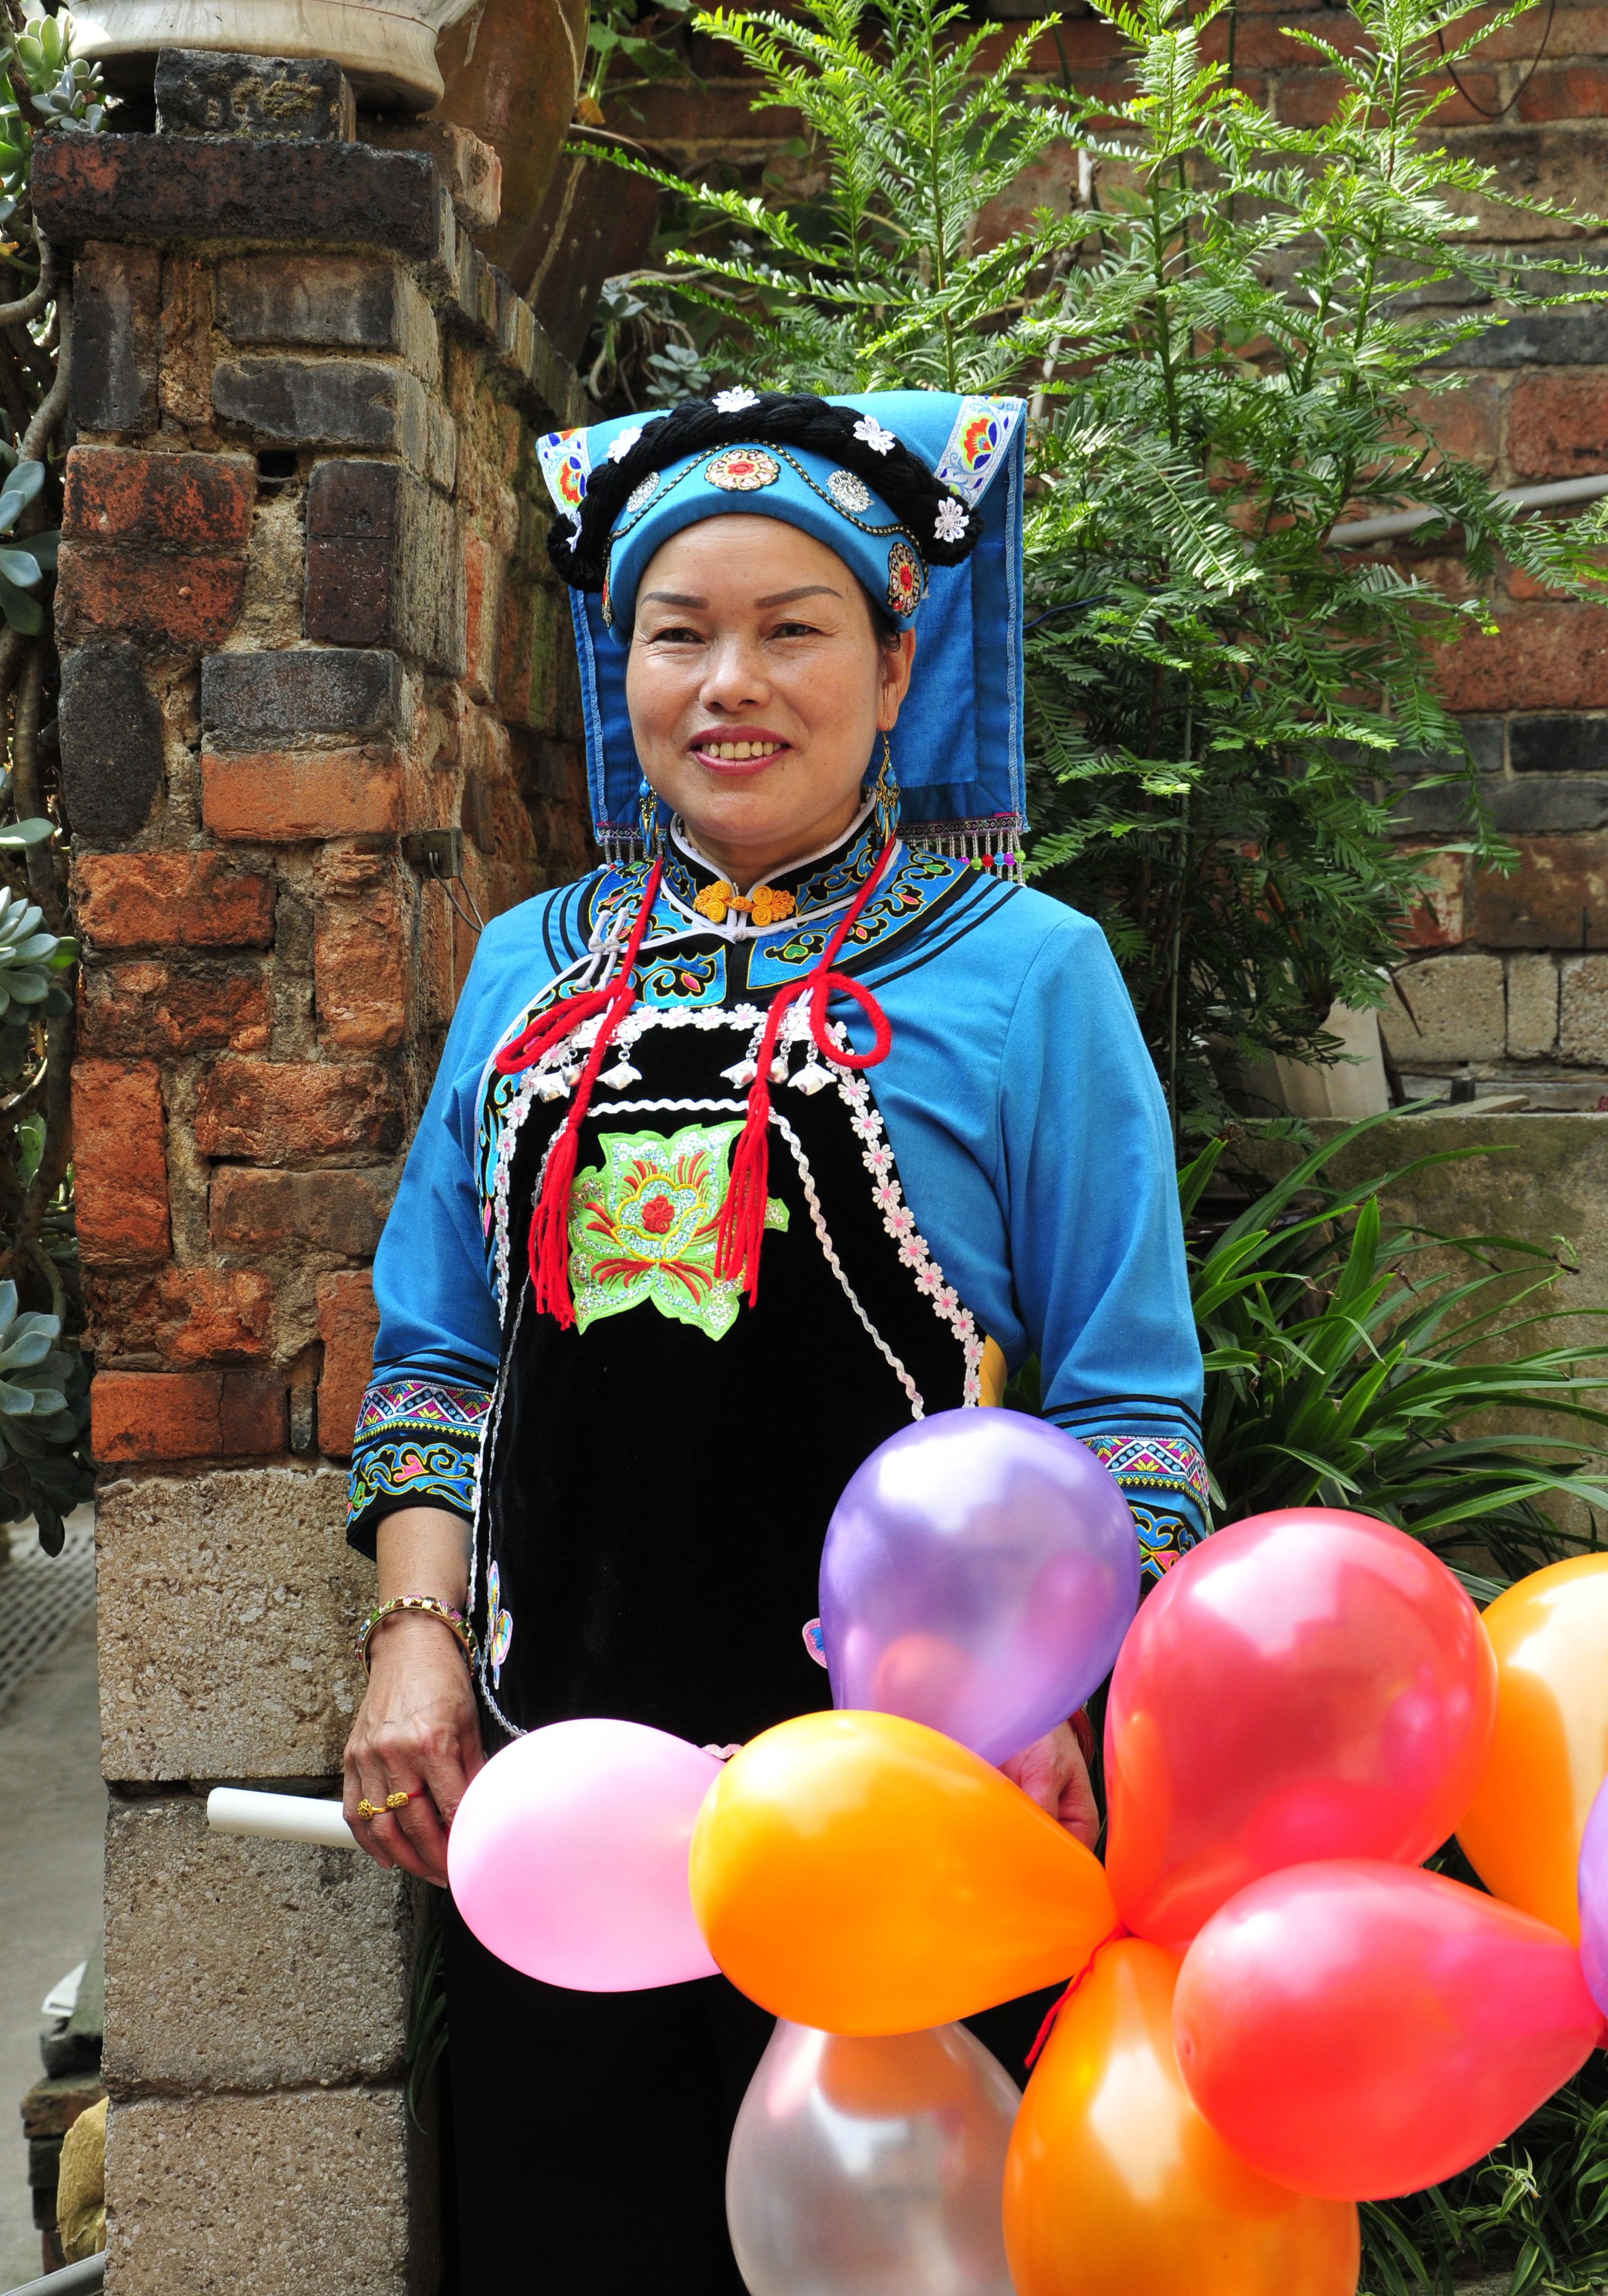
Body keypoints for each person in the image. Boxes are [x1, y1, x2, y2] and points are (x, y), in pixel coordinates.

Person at [340, 389, 1209, 2291]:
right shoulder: (526, 967)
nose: (729, 683)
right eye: (680, 633)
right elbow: (437, 1359)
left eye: (792, 630)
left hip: (926, 1828)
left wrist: (1065, 1706)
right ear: (627, 669)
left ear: (898, 669)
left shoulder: (1030, 977)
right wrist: (416, 1640)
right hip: (569, 1824)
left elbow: (1131, 1414)